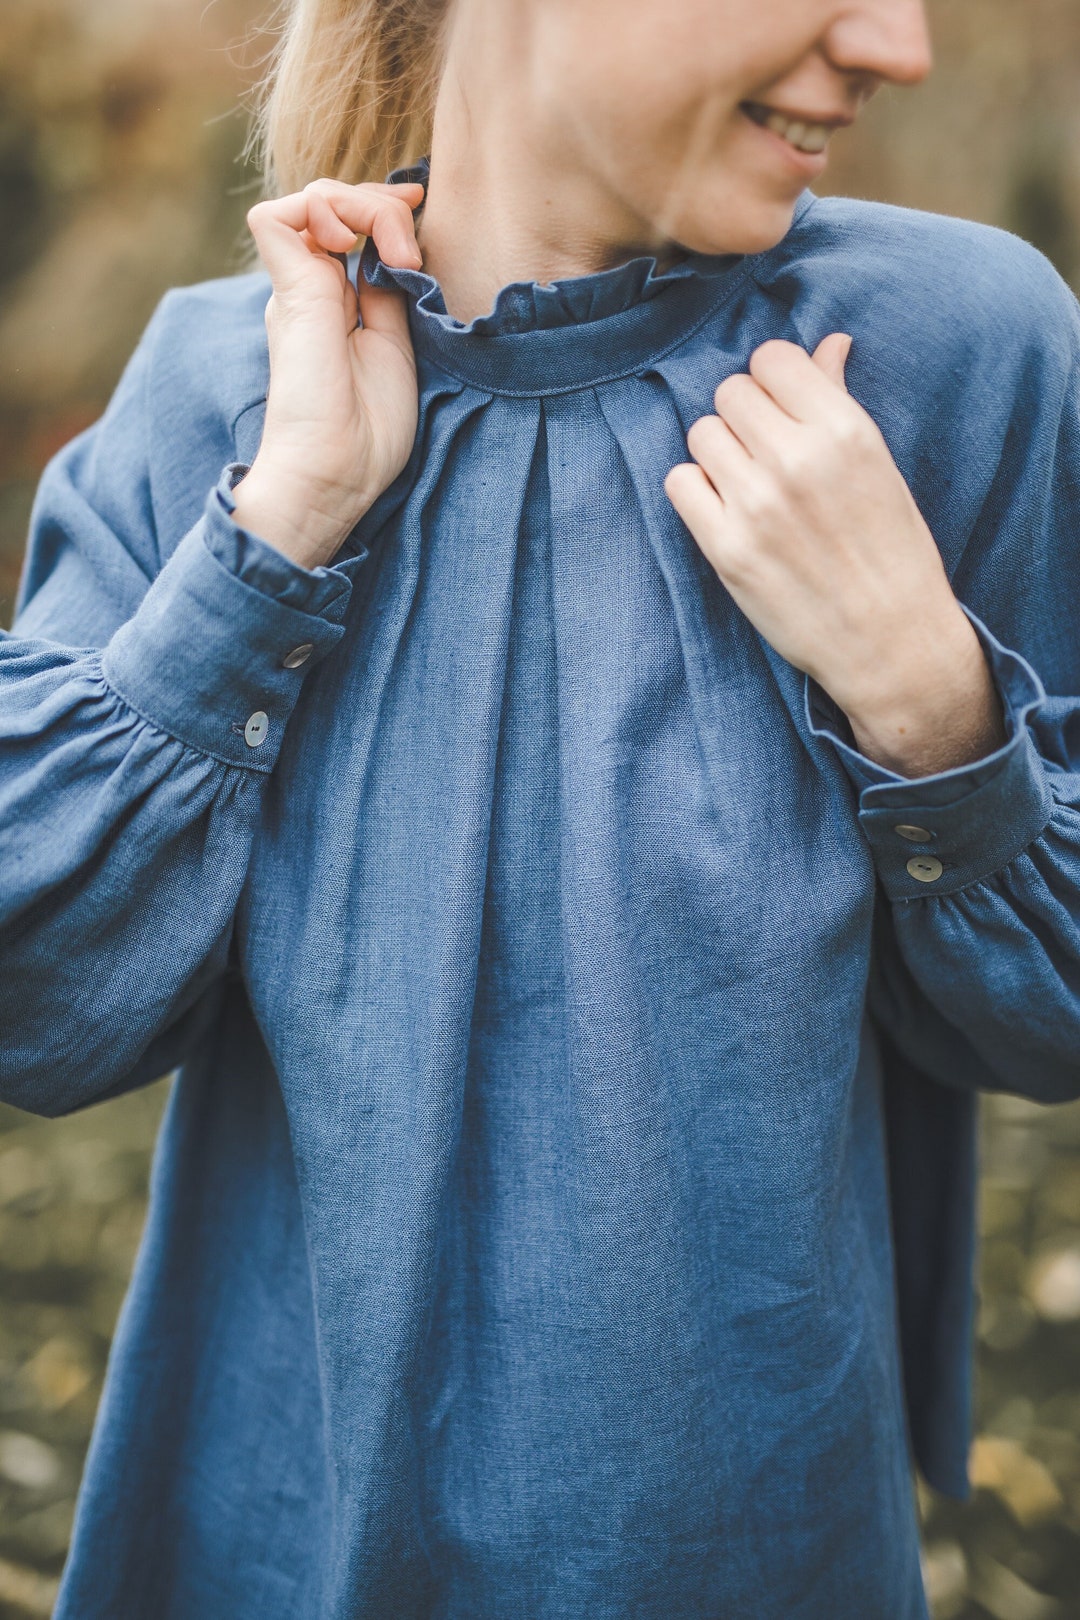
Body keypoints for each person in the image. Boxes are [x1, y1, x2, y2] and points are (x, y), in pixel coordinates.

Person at [3, 0, 1080, 1613]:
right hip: (261, 1551)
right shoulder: (221, 389)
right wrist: (275, 538)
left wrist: (931, 703)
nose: (899, 44)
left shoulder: (960, 348)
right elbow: (39, 1002)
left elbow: (1048, 1025)